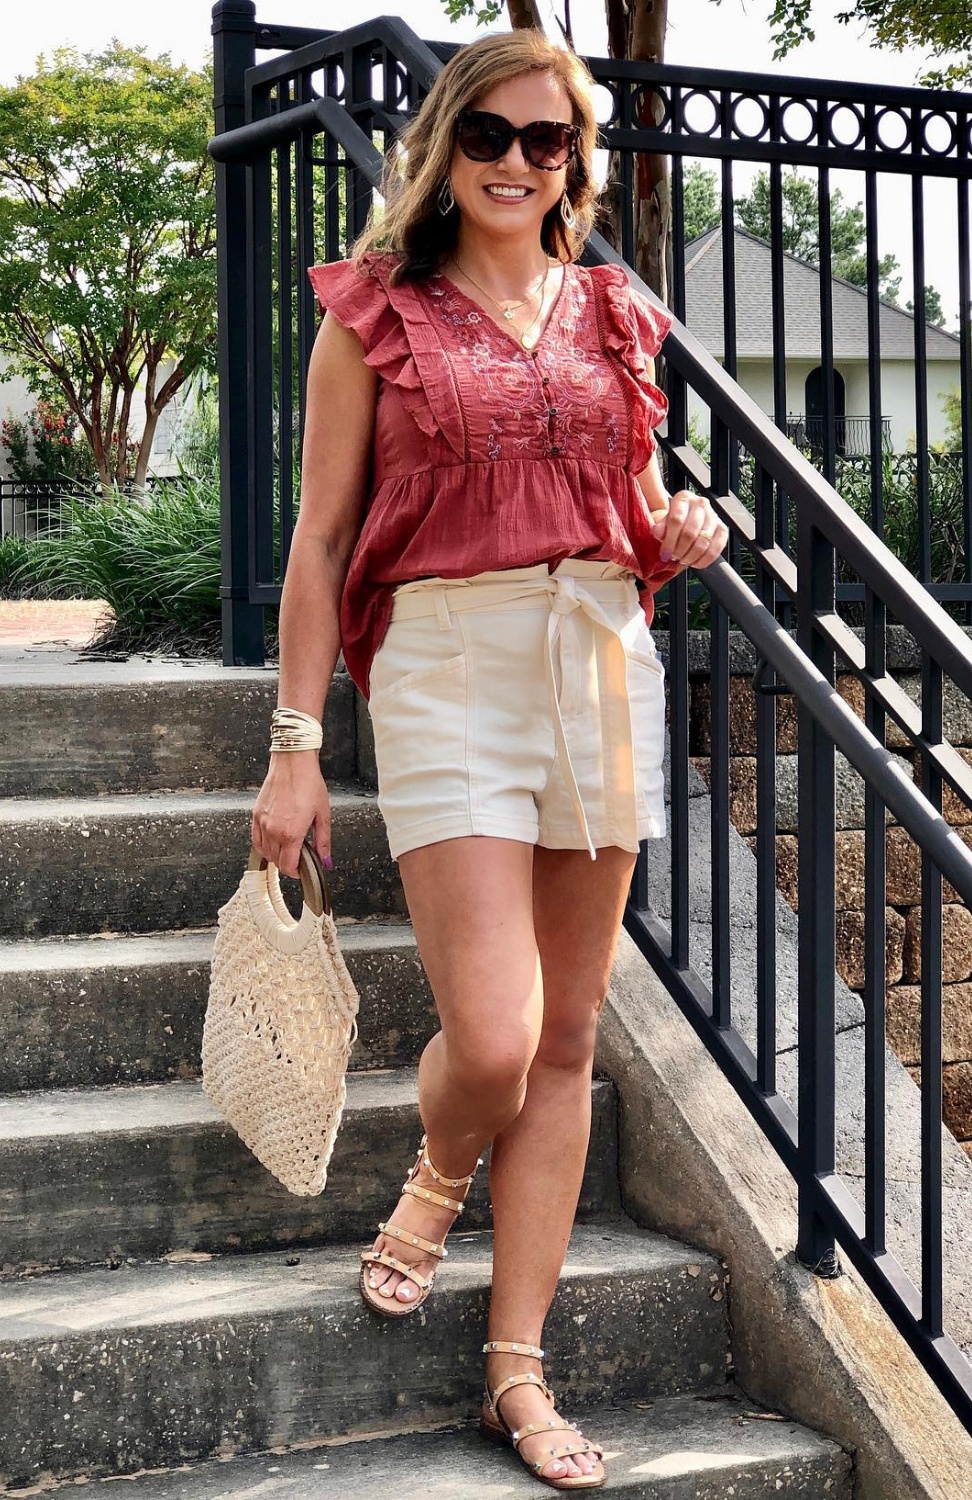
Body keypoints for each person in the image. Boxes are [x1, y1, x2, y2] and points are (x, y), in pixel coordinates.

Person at [251, 27, 727, 1492]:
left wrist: (681, 536)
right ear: (445, 148)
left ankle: (518, 1368)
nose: (525, 161)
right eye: (494, 137)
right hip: (448, 671)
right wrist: (295, 746)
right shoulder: (374, 314)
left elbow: (634, 510)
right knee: (502, 1039)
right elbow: (324, 539)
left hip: (597, 658)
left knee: (571, 1041)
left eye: (552, 139)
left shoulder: (612, 314)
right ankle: (441, 1164)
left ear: (576, 159)